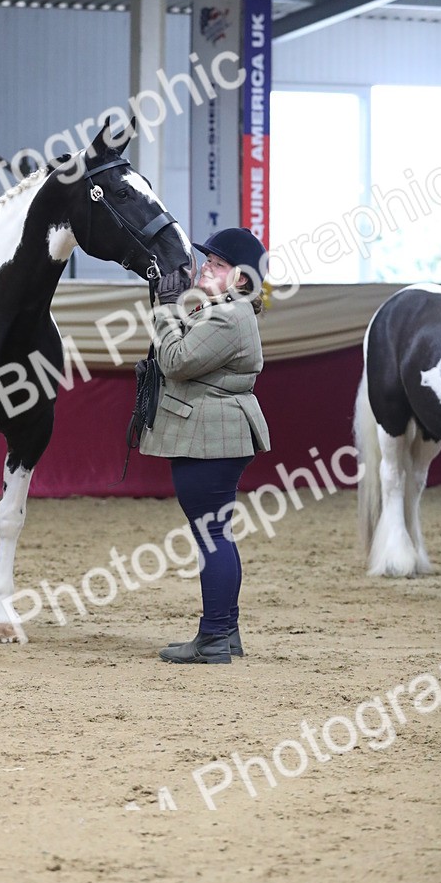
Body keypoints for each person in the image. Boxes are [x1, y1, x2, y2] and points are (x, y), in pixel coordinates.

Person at [140, 227, 270, 665]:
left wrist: (162, 310)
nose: (204, 268)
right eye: (207, 261)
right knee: (216, 534)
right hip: (215, 435)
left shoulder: (227, 316)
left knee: (211, 536)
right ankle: (225, 631)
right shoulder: (226, 311)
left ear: (241, 278)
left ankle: (214, 636)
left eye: (216, 264)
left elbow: (175, 361)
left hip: (210, 438)